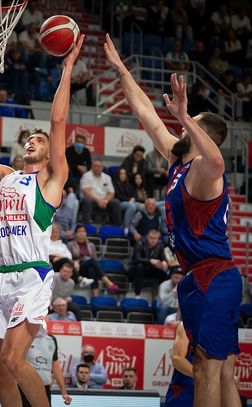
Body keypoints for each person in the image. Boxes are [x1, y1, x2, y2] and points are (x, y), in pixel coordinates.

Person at [105, 34, 241, 407]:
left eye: (188, 125)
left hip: (214, 273)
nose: (180, 129)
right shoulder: (179, 161)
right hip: (198, 276)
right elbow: (147, 116)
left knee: (206, 367)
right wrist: (121, 71)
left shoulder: (203, 169)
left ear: (203, 135)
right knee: (223, 368)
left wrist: (185, 116)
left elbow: (217, 162)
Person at [0, 34, 85, 407]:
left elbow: (58, 120)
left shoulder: (51, 181)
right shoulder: (8, 175)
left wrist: (67, 68)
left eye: (39, 140)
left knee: (14, 358)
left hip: (32, 276)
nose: (32, 140)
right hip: (4, 277)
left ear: (48, 153)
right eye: (30, 138)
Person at [20, 332, 72, 406]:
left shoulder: (52, 339)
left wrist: (64, 392)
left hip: (45, 389)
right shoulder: (23, 337)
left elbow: (55, 366)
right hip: (25, 388)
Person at [68, 224, 118, 296]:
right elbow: (67, 259)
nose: (81, 233)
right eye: (79, 231)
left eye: (83, 231)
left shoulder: (91, 245)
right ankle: (107, 282)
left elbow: (95, 258)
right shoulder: (70, 244)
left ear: (86, 233)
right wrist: (75, 262)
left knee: (92, 269)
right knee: (92, 261)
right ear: (75, 234)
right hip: (77, 269)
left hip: (88, 269)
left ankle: (95, 297)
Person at [79, 160, 122, 225]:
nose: (97, 168)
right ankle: (87, 226)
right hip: (91, 200)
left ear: (102, 168)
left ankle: (115, 227)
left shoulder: (107, 177)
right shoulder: (86, 176)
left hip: (104, 201)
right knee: (87, 201)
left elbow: (111, 193)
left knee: (116, 202)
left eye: (99, 166)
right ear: (92, 167)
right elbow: (86, 192)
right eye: (95, 166)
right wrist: (98, 201)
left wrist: (105, 201)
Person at [128, 229, 168, 298]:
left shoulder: (160, 245)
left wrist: (164, 262)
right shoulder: (140, 243)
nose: (153, 240)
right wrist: (150, 261)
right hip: (135, 269)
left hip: (150, 269)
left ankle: (160, 295)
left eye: (155, 238)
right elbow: (136, 259)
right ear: (147, 237)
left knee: (165, 271)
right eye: (151, 238)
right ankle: (137, 294)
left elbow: (163, 257)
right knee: (139, 267)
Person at [165, 322, 194, 406]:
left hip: (210, 388)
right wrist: (201, 376)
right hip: (184, 388)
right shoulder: (186, 325)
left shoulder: (222, 326)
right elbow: (177, 358)